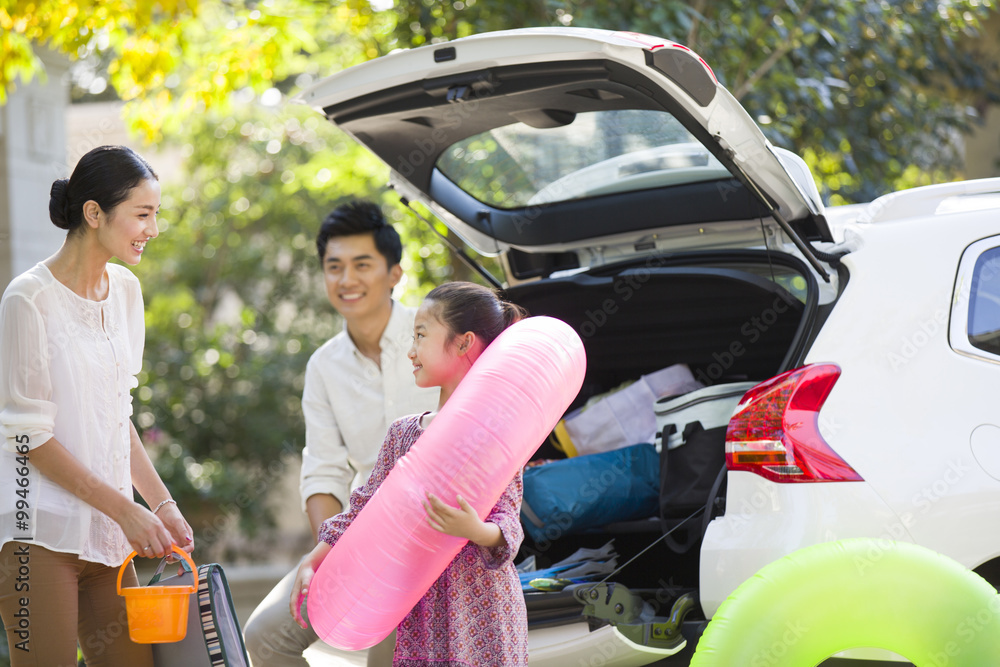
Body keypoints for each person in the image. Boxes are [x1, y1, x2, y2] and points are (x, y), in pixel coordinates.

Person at [0, 145, 194, 666]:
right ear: (94, 213)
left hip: (108, 536)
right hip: (36, 533)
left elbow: (117, 415)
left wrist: (162, 505)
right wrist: (125, 509)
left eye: (156, 214)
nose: (153, 228)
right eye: (143, 214)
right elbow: (29, 437)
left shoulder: (126, 292)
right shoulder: (27, 300)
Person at [290, 281, 530, 667]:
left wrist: (474, 529)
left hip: (482, 612)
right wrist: (313, 559)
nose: (410, 350)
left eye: (421, 335)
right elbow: (363, 508)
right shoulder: (404, 433)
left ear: (464, 342)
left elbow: (509, 525)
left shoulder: (496, 433)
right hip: (421, 611)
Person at [244, 200, 438, 666]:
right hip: (363, 536)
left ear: (394, 273)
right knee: (264, 636)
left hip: (438, 538)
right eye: (334, 267)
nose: (347, 280)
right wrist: (329, 552)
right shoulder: (323, 366)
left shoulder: (437, 335)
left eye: (362, 265)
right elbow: (324, 472)